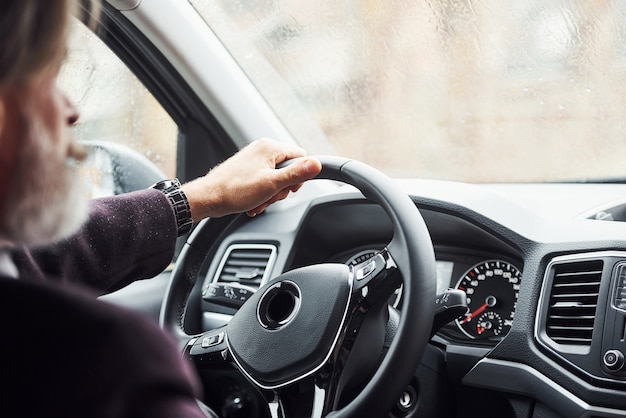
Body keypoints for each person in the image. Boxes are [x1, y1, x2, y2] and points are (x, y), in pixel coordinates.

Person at [0, 0, 322, 417]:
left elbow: (46, 257)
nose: (71, 109)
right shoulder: (112, 375)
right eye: (47, 73)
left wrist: (202, 196)